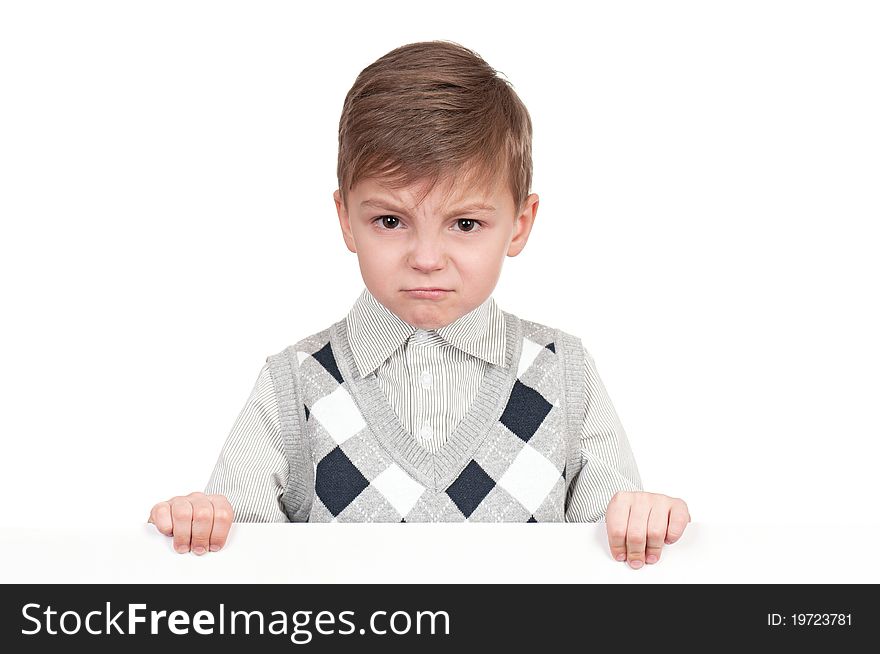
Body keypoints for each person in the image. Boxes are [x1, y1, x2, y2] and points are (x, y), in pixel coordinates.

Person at [148, 40, 690, 570]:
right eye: (390, 220)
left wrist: (639, 515)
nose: (427, 258)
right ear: (346, 219)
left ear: (520, 224)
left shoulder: (563, 372)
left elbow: (614, 545)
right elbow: (241, 556)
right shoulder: (292, 384)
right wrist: (205, 518)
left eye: (465, 224)